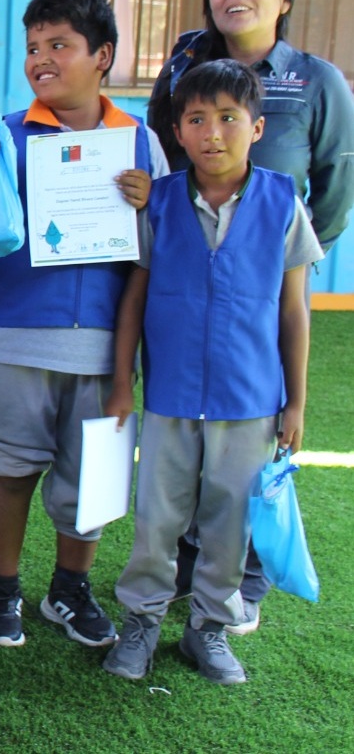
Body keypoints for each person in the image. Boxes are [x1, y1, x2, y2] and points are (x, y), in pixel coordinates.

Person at [145, 0, 354, 632]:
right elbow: (159, 152)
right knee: (177, 457)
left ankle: (238, 584)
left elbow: (332, 184)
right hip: (187, 257)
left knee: (244, 446)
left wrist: (278, 245)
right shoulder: (185, 63)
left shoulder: (315, 78)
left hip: (262, 270)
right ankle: (175, 578)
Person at [103, 59, 317, 685]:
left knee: (229, 524)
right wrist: (123, 382)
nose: (212, 133)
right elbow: (134, 299)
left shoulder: (282, 201)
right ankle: (140, 623)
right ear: (177, 128)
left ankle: (209, 631)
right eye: (196, 119)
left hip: (251, 400)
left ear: (256, 127)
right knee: (157, 521)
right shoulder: (159, 202)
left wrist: (296, 404)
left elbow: (294, 311)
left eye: (228, 118)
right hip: (170, 395)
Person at [0, 0, 159, 648]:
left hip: (103, 347)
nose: (41, 58)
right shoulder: (7, 136)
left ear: (101, 55)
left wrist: (147, 205)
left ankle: (69, 589)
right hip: (17, 337)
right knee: (11, 471)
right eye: (33, 47)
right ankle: (2, 590)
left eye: (60, 45)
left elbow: (158, 254)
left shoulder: (139, 142)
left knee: (93, 481)